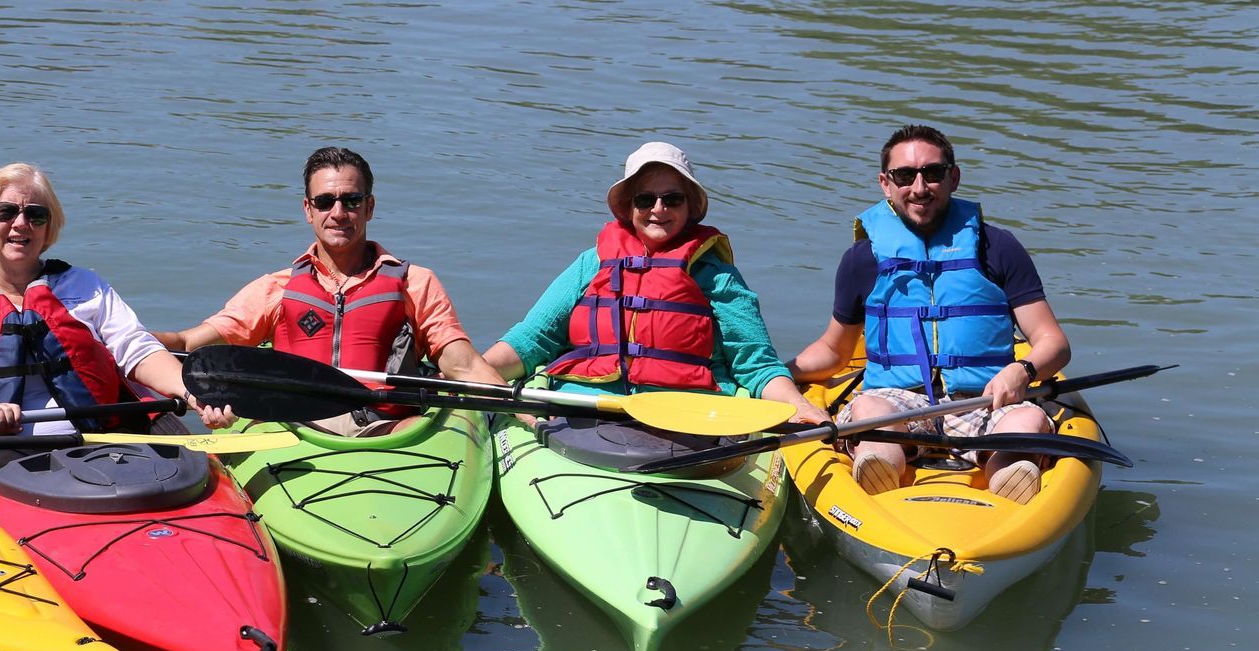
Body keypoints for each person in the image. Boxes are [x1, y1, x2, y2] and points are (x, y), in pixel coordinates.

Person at [788, 124, 1070, 502]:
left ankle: (1008, 478)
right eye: (905, 175)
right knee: (870, 410)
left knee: (1029, 419)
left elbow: (1053, 343)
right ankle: (879, 469)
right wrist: (776, 374)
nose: (919, 188)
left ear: (953, 177)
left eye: (932, 173)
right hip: (897, 404)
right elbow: (835, 351)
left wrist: (1023, 370)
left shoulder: (997, 247)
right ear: (885, 183)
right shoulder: (862, 260)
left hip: (986, 398)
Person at [152, 146, 507, 435]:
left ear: (369, 207)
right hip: (292, 429)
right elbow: (188, 344)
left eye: (351, 201)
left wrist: (519, 415)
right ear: (308, 210)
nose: (338, 212)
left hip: (388, 430)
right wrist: (125, 338)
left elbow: (464, 366)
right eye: (324, 202)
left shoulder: (416, 283)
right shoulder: (276, 288)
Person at [480, 141, 825, 426]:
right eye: (646, 199)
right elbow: (533, 340)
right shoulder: (592, 263)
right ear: (629, 208)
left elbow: (756, 363)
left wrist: (798, 407)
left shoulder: (717, 276)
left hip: (687, 414)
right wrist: (470, 371)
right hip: (583, 407)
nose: (658, 209)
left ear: (690, 207)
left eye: (672, 199)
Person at [0, 162, 226, 439]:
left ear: (48, 227)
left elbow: (137, 349)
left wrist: (190, 393)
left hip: (95, 437)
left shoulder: (84, 286)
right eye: (6, 211)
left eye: (36, 215)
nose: (20, 224)